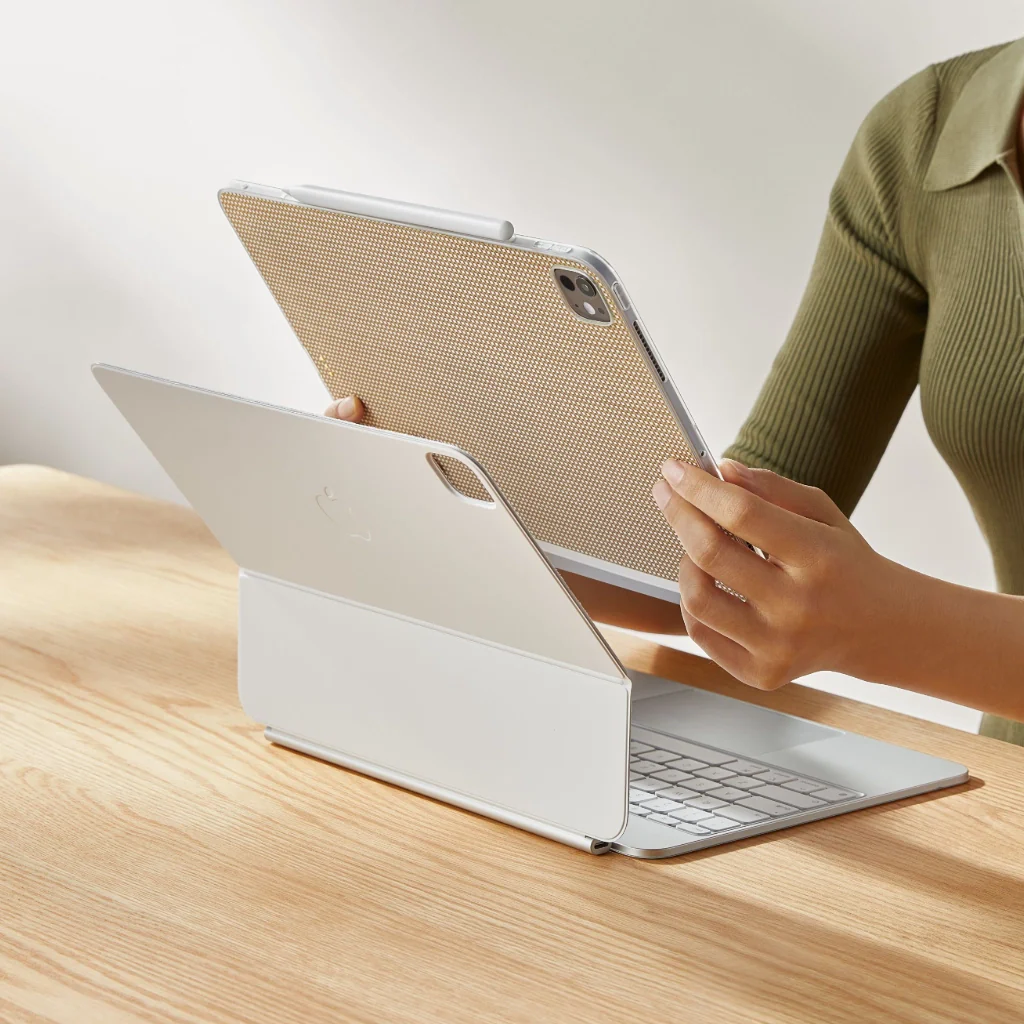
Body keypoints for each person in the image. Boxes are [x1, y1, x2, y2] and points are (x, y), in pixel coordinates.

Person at [326, 37, 1024, 745]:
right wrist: (458, 514)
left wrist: (884, 628)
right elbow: (731, 564)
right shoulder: (932, 135)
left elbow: (835, 609)